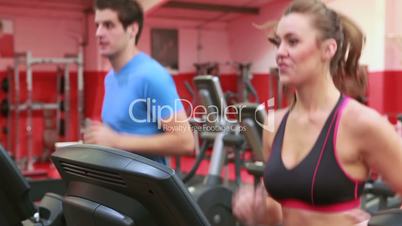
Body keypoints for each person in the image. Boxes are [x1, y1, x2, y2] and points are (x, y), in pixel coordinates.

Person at [232, 0, 402, 226]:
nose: (280, 52)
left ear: (328, 49)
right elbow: (274, 211)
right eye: (278, 43)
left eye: (292, 42)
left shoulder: (360, 123)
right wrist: (257, 212)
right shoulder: (274, 124)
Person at [84, 0, 194, 165]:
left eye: (109, 25)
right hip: (118, 183)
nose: (99, 33)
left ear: (132, 29)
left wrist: (117, 141)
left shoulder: (152, 76)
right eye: (97, 25)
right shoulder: (110, 78)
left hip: (146, 188)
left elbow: (186, 142)